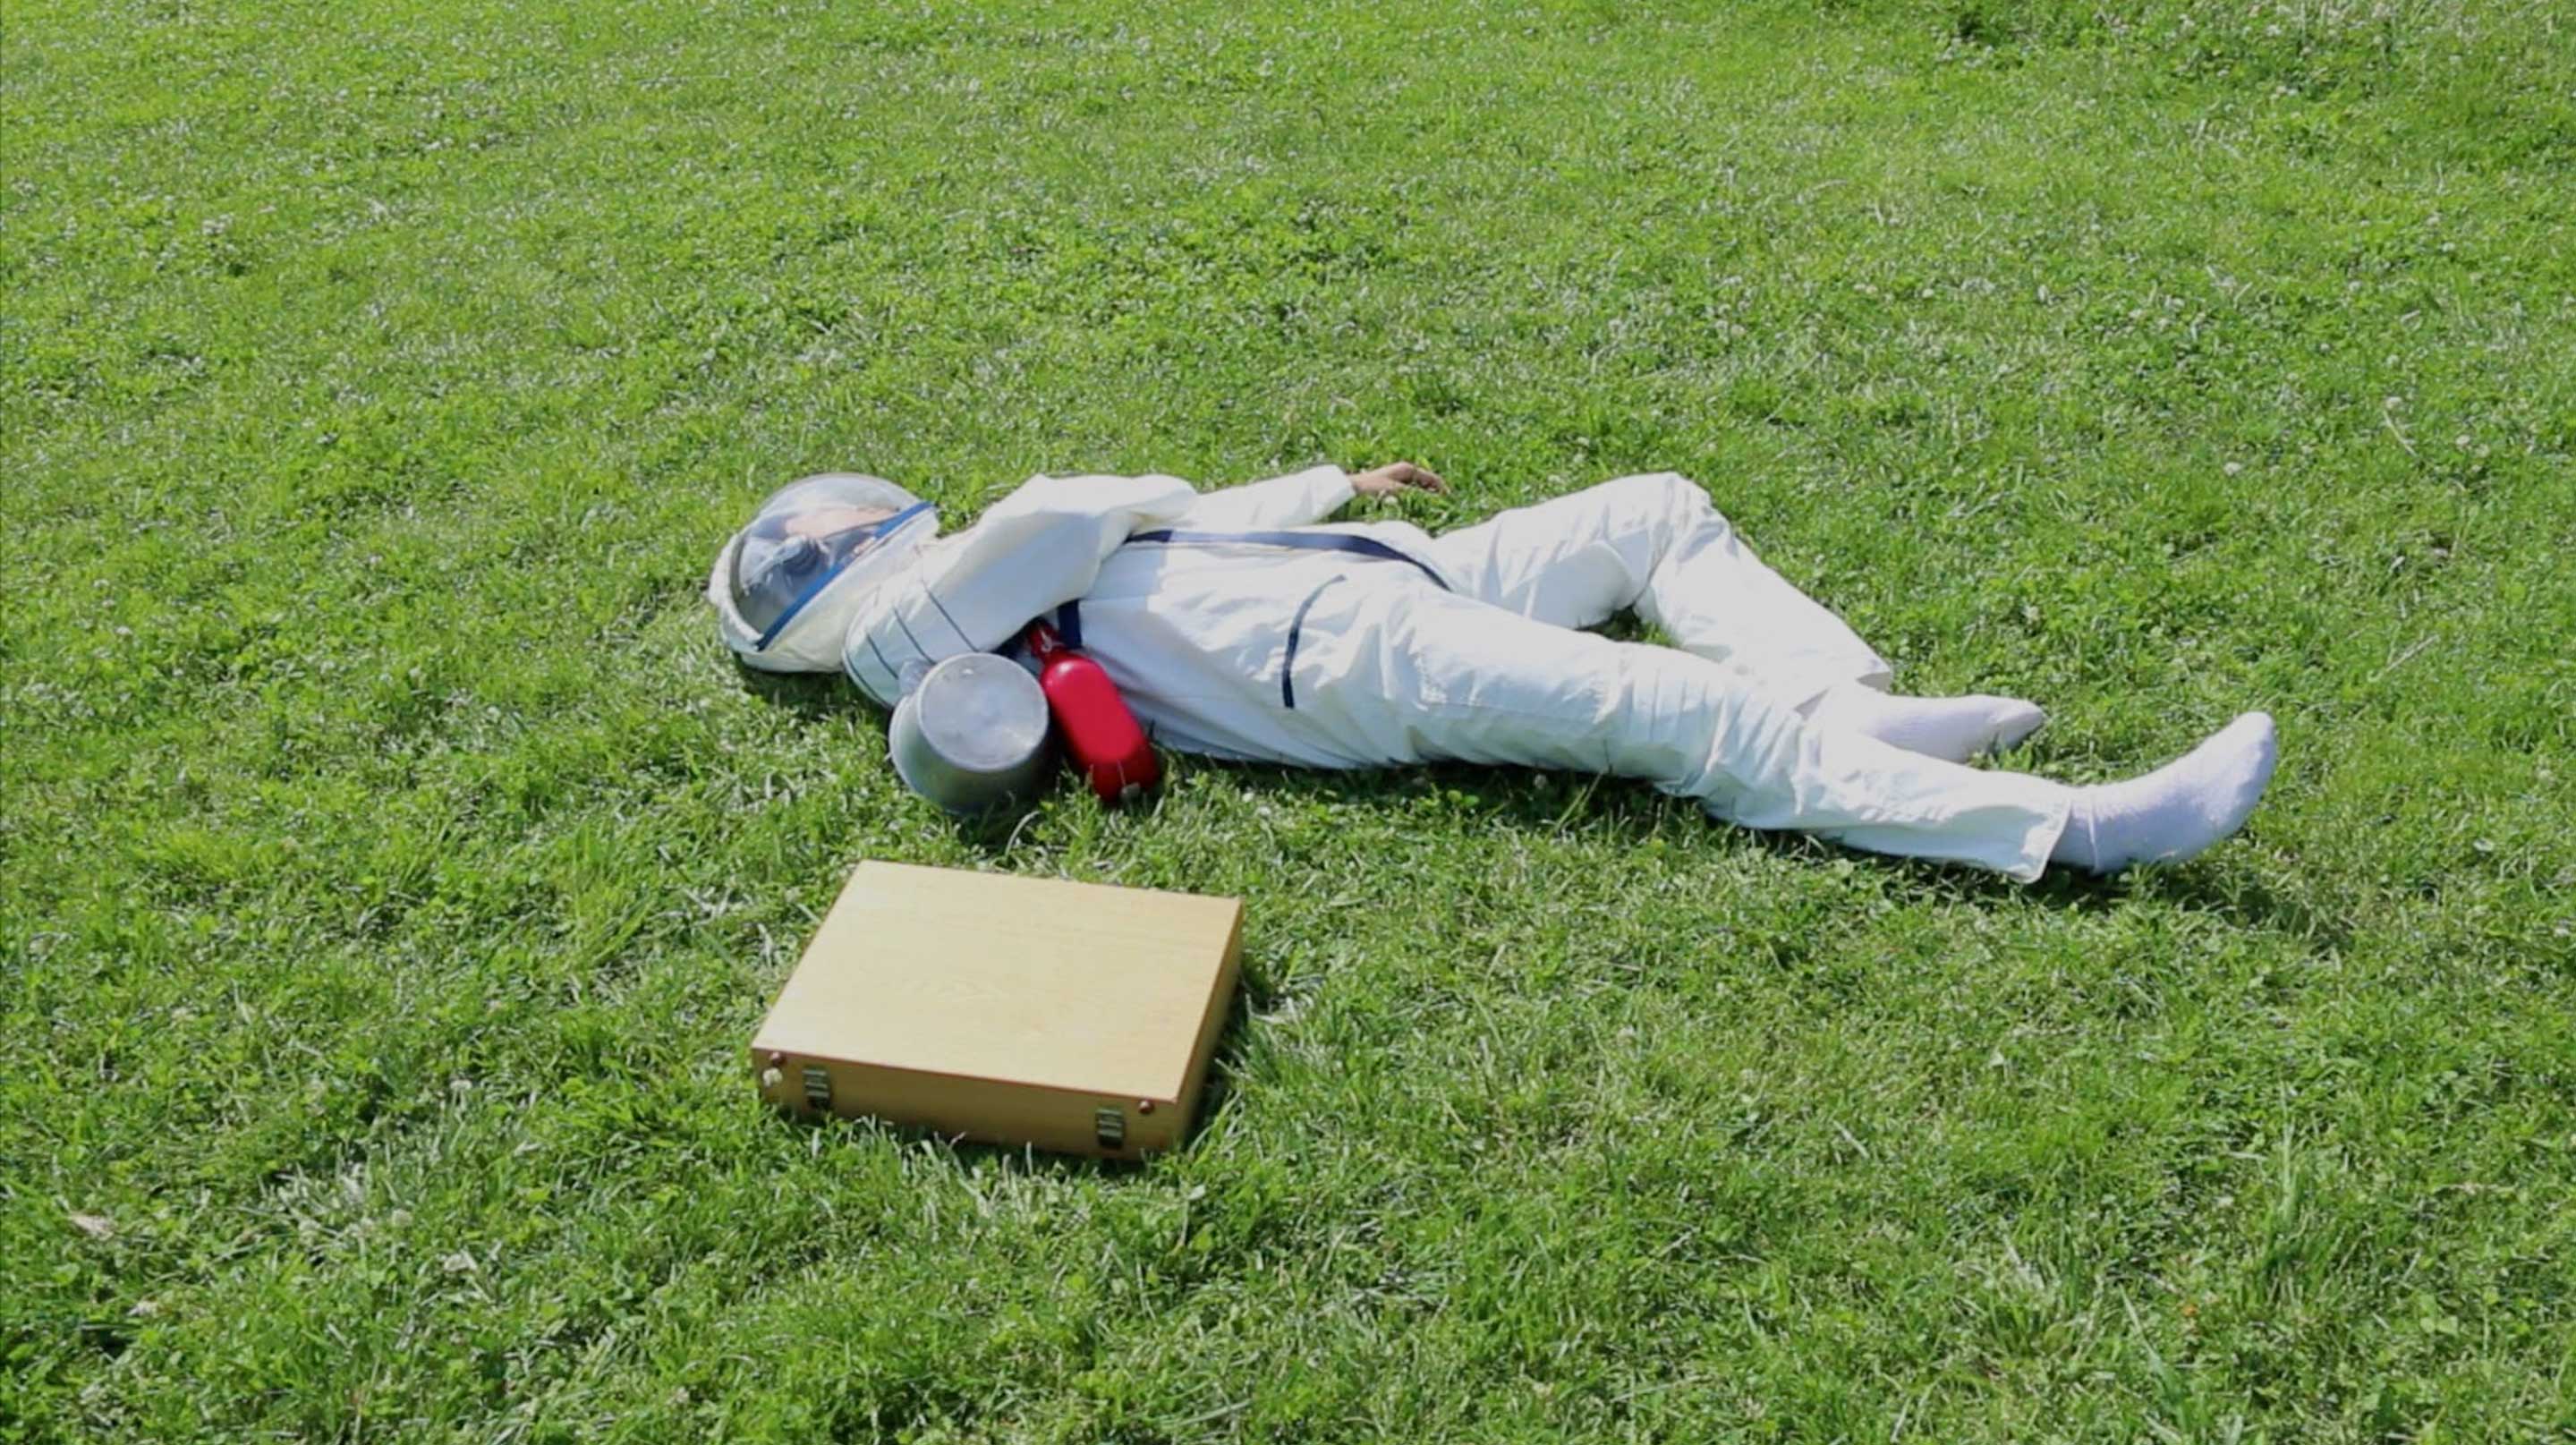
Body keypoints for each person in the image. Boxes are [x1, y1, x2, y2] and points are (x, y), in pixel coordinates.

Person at [708, 464, 2277, 881]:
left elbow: (1137, 529)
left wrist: (1327, 485)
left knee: (1649, 515)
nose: (853, 525)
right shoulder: (912, 639)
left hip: (1392, 581)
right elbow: (1074, 509)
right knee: (1692, 722)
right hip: (1363, 659)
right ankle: (2071, 829)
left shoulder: (980, 577)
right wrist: (1120, 496)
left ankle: (1846, 701)